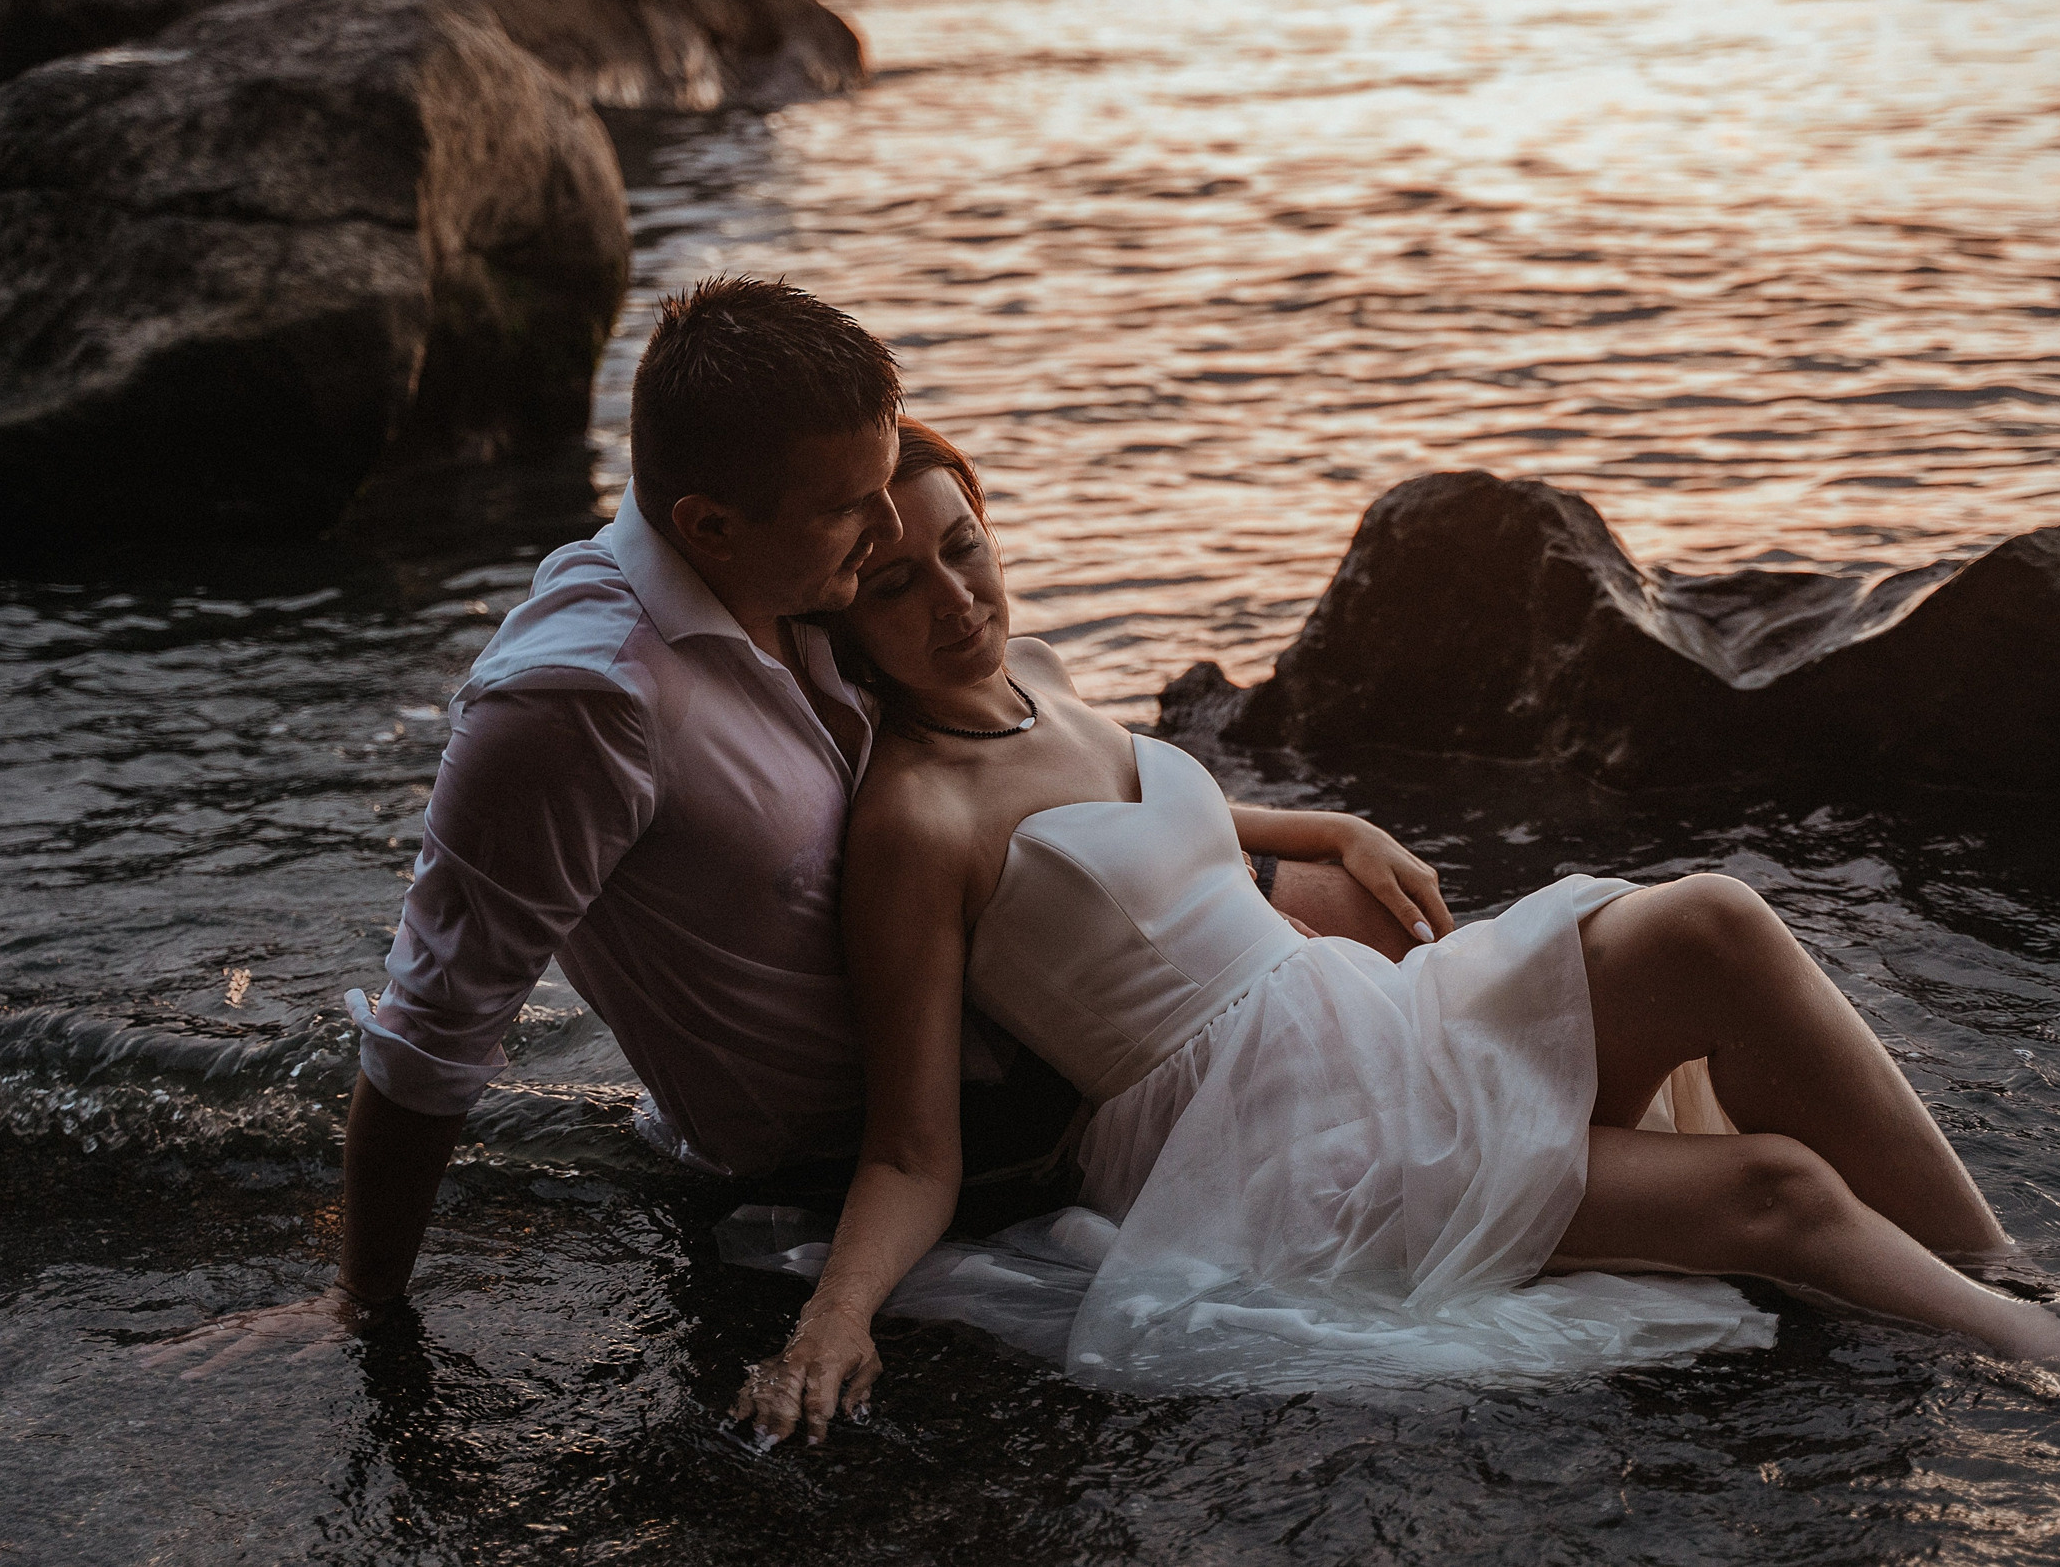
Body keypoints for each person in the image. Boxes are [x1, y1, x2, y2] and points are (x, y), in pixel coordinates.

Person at [727, 421, 2060, 1445]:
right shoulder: (912, 822)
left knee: (1714, 919)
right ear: (846, 607)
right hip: (1272, 1139)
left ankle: (2000, 1268)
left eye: (964, 548)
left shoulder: (1034, 672)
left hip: (1356, 1010)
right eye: (898, 585)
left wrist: (1320, 828)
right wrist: (830, 1323)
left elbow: (1131, 813)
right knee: (1774, 1187)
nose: (955, 599)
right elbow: (911, 1143)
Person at [147, 279, 1442, 1376]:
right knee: (1443, 1169)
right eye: (853, 509)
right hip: (909, 1153)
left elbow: (1019, 771)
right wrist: (361, 1307)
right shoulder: (577, 706)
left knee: (1401, 968)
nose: (886, 533)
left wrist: (1301, 829)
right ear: (708, 525)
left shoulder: (797, 578)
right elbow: (433, 1027)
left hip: (1039, 1020)